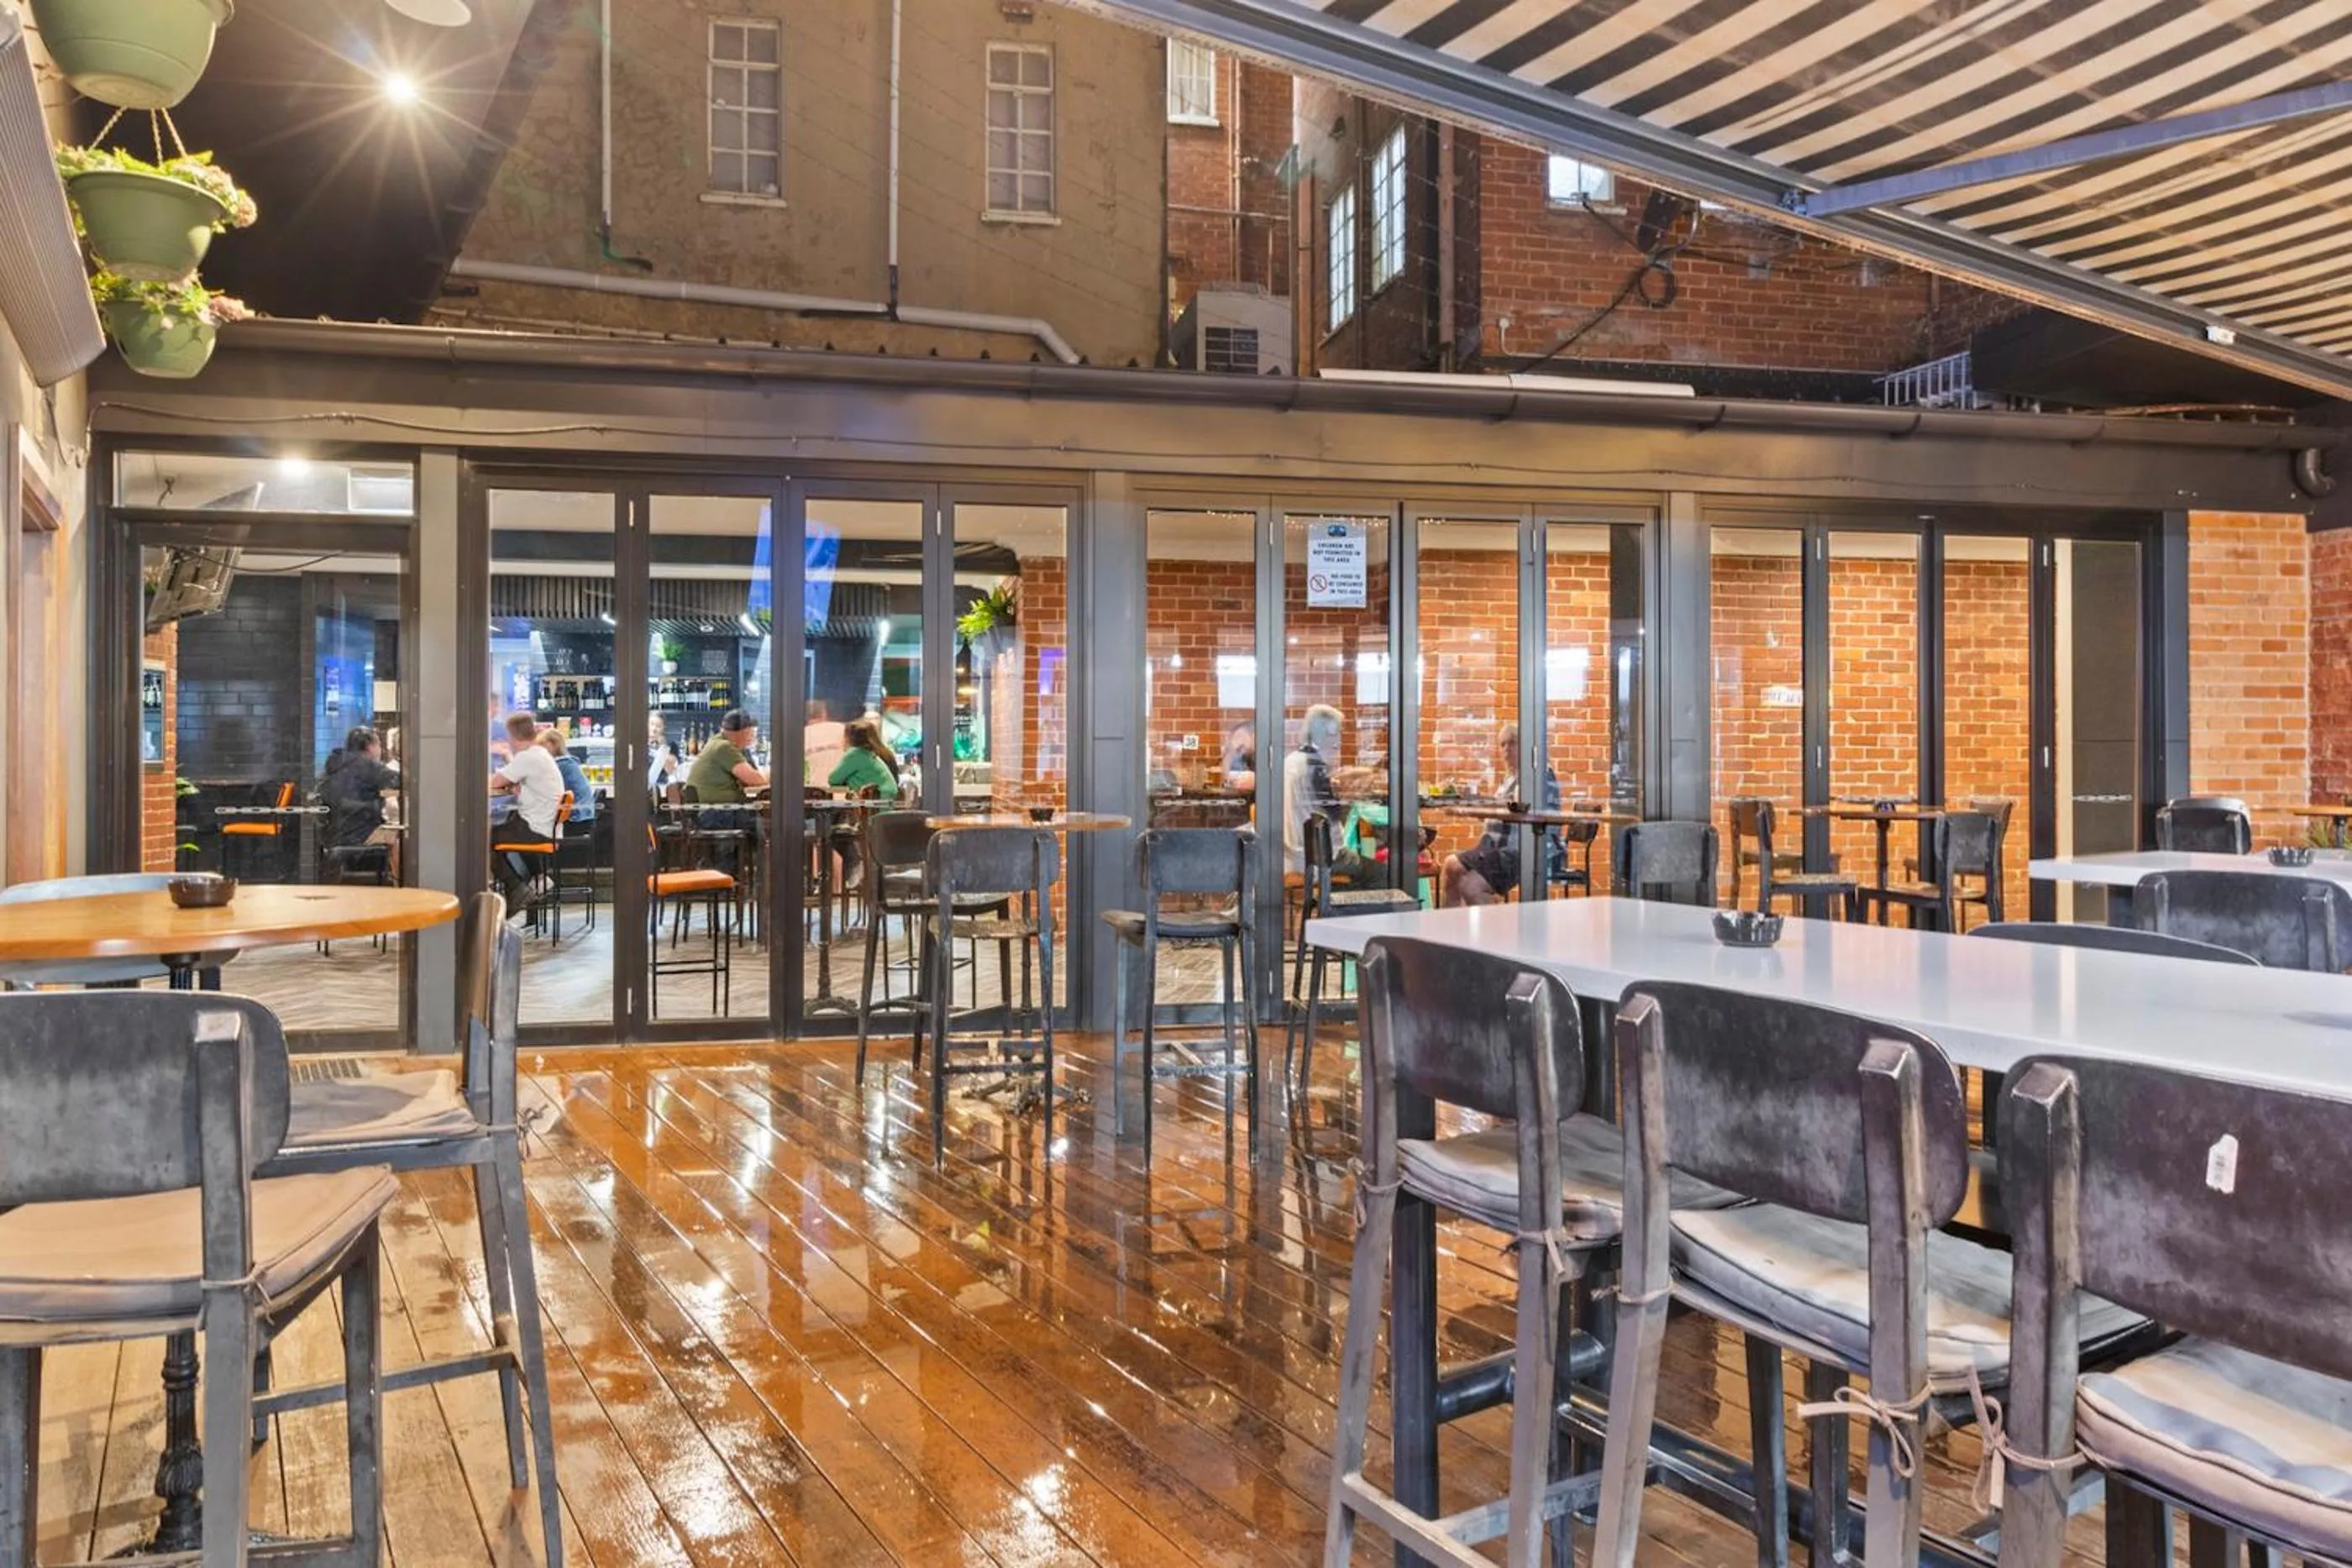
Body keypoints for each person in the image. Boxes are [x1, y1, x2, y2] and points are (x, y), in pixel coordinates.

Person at [1443, 723, 1563, 907]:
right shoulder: (1511, 777)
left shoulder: (1538, 773)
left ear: (1526, 745)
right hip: (1495, 846)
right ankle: (1450, 928)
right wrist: (1479, 808)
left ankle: (1494, 931)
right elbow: (1502, 808)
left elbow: (1520, 808)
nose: (1507, 749)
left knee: (1469, 886)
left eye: (1513, 743)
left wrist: (1483, 808)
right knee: (1451, 868)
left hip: (1522, 849)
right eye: (1502, 745)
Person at [489, 711, 564, 908]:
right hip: (546, 827)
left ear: (511, 736)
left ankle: (516, 888)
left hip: (536, 829)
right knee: (504, 827)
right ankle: (533, 881)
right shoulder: (539, 754)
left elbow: (496, 781)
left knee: (483, 838)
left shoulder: (528, 758)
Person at [1284, 704, 1364, 883]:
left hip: (1288, 855)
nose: (1338, 739)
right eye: (1337, 733)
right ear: (1327, 733)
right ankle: (1341, 909)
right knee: (1381, 873)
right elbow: (1333, 822)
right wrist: (1343, 798)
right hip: (1313, 859)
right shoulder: (1315, 766)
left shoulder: (1290, 761)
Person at [318, 726, 400, 849]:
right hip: (361, 835)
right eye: (378, 745)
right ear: (369, 746)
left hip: (333, 837)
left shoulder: (335, 766)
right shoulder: (370, 767)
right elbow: (399, 783)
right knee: (402, 838)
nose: (381, 750)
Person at [685, 708, 768, 804]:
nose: (752, 738)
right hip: (717, 811)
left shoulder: (716, 741)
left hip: (714, 808)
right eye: (750, 733)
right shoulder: (724, 747)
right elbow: (755, 780)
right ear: (742, 732)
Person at [827, 716, 900, 800]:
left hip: (878, 801)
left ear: (849, 738)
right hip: (888, 798)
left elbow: (833, 779)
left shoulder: (855, 754)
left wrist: (847, 780)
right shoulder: (870, 754)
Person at [538, 729, 597, 822]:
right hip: (584, 816)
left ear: (553, 745)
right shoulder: (568, 763)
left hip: (575, 819)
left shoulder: (561, 765)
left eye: (542, 745)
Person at [647, 712, 681, 791]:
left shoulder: (671, 746)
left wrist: (662, 747)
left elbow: (670, 770)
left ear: (664, 728)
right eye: (651, 724)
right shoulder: (639, 746)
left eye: (658, 726)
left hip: (663, 787)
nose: (654, 729)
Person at [1222, 719, 1257, 792]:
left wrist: (1258, 782)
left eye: (1240, 736)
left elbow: (1282, 782)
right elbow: (1225, 775)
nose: (1238, 742)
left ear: (1255, 736)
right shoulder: (1243, 756)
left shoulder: (1268, 755)